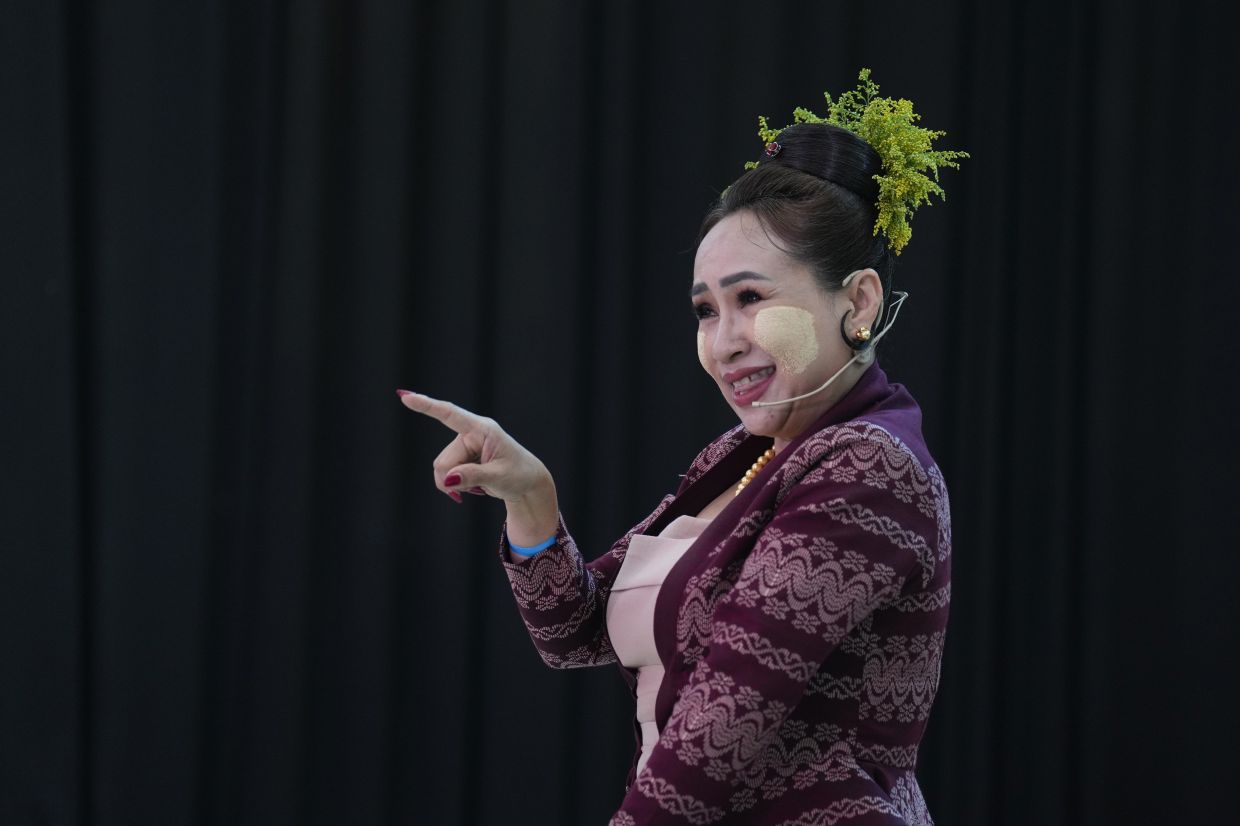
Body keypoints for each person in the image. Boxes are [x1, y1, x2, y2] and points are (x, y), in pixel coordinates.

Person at [399, 71, 965, 825]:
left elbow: (725, 725)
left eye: (752, 299)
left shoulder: (871, 465)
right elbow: (577, 633)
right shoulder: (742, 454)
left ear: (857, 301)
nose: (724, 342)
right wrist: (532, 500)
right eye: (706, 310)